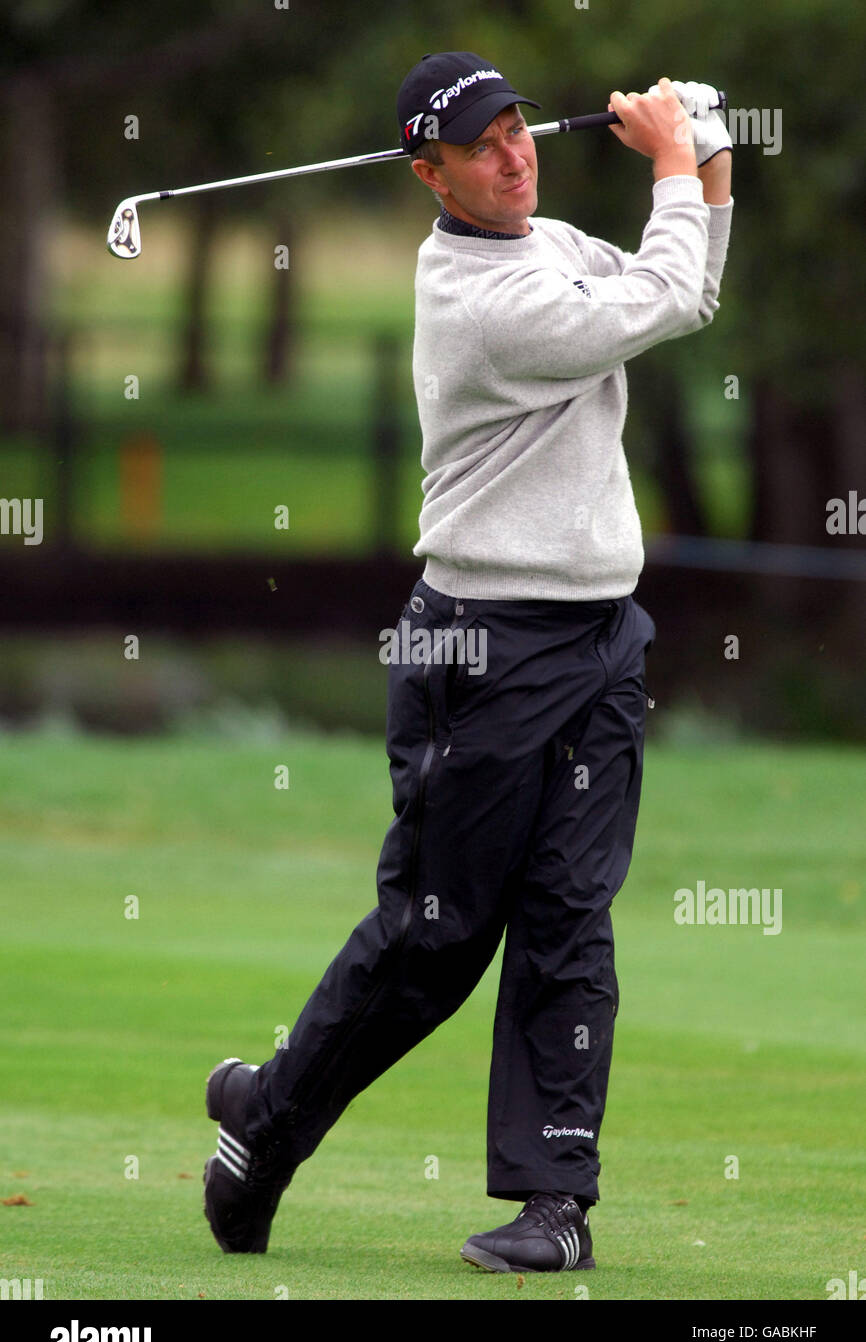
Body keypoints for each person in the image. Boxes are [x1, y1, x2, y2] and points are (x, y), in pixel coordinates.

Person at [203, 51, 733, 1274]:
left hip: (601, 639)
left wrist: (707, 156)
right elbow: (658, 298)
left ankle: (554, 1202)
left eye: (516, 129)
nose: (513, 153)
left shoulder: (549, 244)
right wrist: (670, 162)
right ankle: (266, 1123)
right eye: (480, 145)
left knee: (569, 919)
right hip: (481, 651)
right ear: (428, 172)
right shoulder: (478, 303)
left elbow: (684, 284)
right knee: (435, 940)